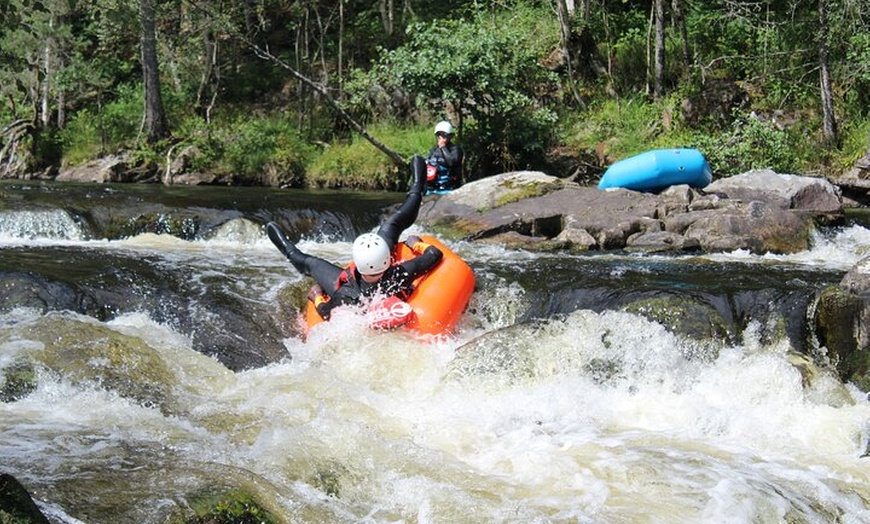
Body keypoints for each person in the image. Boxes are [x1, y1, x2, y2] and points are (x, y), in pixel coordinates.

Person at [266, 154, 443, 321]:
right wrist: (415, 244)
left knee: (309, 263)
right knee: (392, 223)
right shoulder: (400, 273)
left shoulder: (346, 294)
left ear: (356, 264)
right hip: (382, 277)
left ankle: (286, 247)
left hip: (356, 286)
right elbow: (435, 254)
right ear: (389, 258)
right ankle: (417, 188)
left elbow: (326, 313)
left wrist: (317, 297)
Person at [425, 120, 464, 193]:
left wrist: (443, 147)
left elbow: (451, 163)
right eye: (439, 134)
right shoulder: (433, 151)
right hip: (432, 189)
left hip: (449, 189)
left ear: (450, 136)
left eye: (444, 134)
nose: (441, 137)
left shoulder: (455, 150)